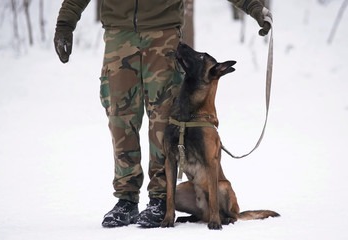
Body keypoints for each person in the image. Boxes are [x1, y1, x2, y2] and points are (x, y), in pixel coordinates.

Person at [54, 0, 272, 228]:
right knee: (120, 118)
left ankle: (159, 198)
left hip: (164, 33)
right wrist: (65, 25)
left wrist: (254, 7)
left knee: (164, 122)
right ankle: (126, 199)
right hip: (119, 34)